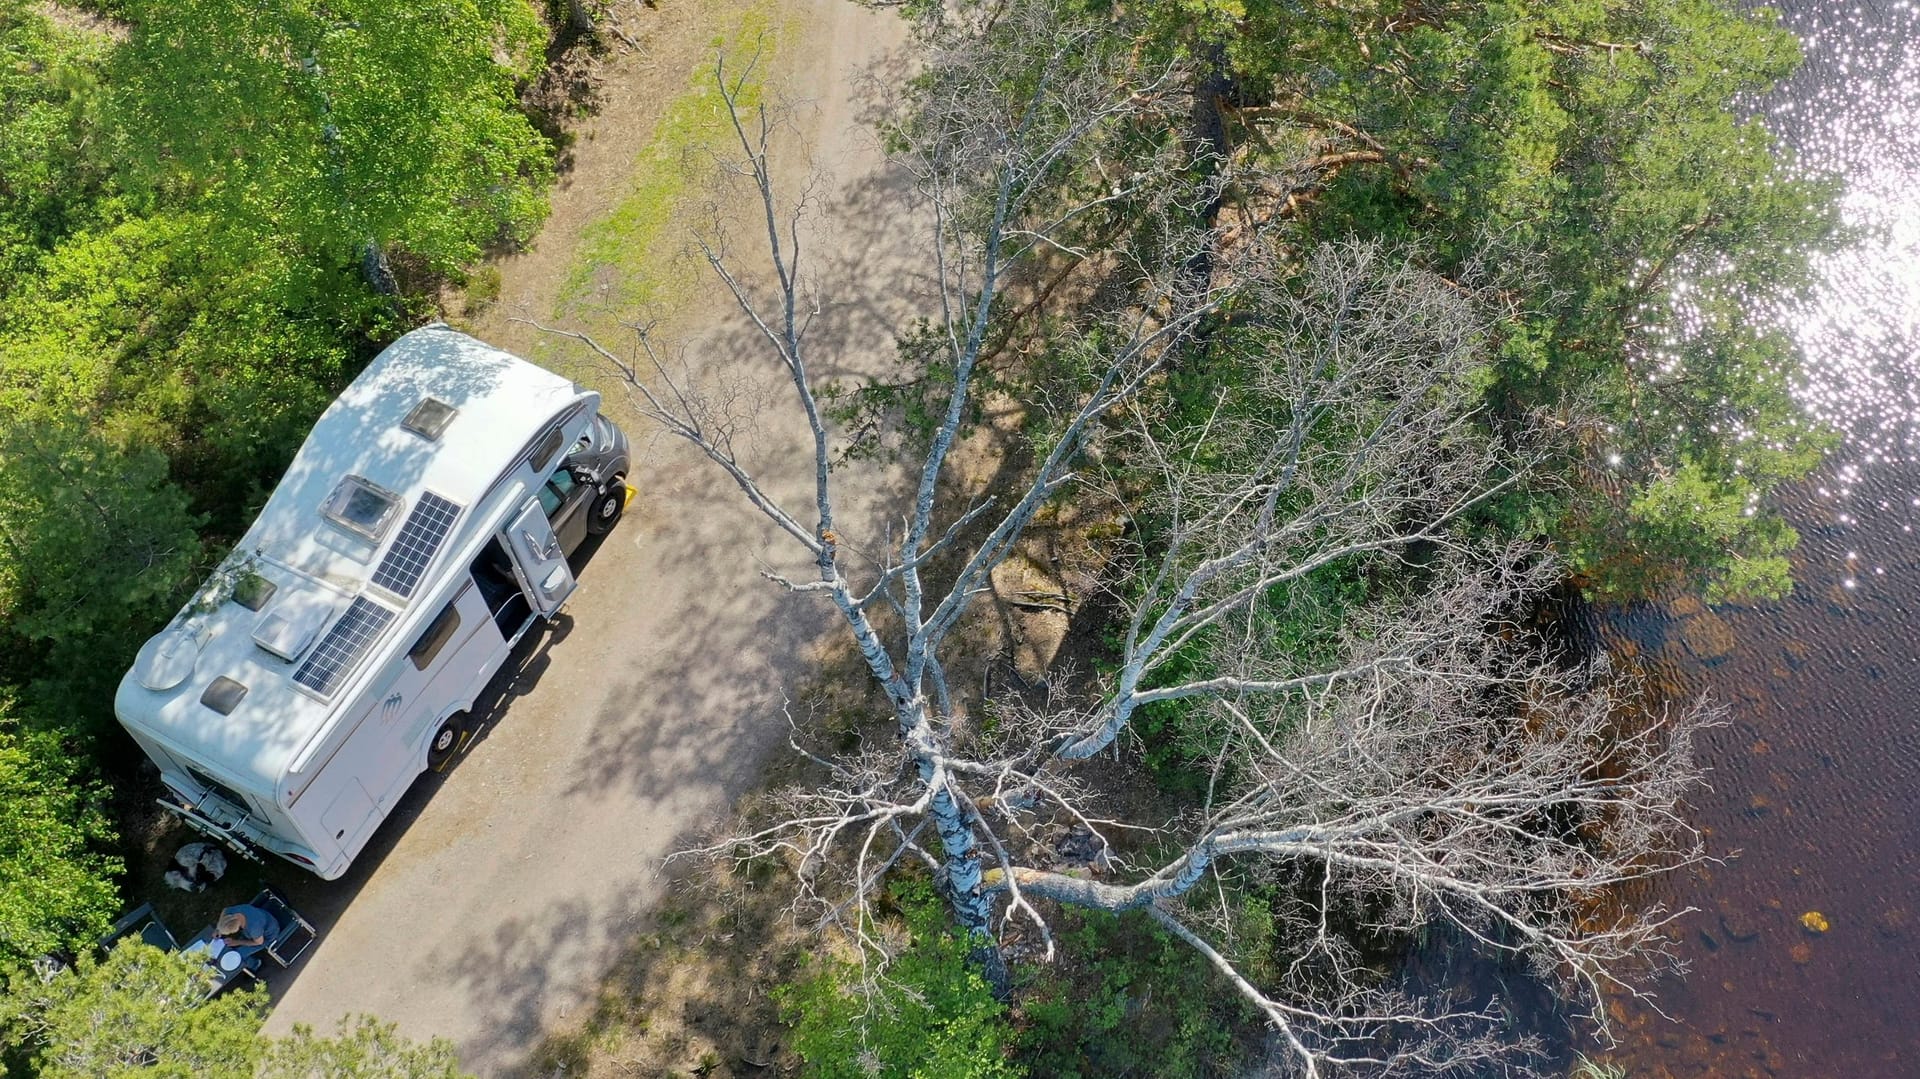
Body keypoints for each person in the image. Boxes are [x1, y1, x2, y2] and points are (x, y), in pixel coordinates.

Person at [215, 904, 280, 970]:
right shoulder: (233, 912)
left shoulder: (253, 928)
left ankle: (256, 964)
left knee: (239, 954)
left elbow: (259, 942)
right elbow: (225, 910)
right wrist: (218, 929)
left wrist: (237, 942)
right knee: (234, 945)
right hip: (263, 921)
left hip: (267, 936)